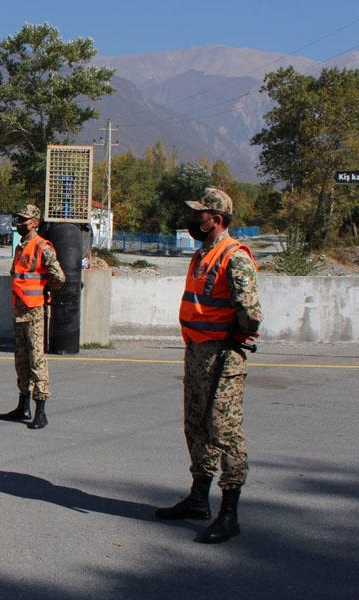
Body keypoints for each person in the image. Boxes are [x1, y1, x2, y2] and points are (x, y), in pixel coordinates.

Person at [155, 188, 262, 544]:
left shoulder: (235, 256)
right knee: (196, 424)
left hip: (222, 356)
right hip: (197, 353)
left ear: (215, 219)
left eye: (200, 215)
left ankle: (229, 514)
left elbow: (251, 313)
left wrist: (235, 337)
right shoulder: (203, 254)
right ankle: (198, 498)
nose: (194, 220)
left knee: (225, 432)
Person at [0, 204, 65, 429]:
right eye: (18, 219)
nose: (20, 223)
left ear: (35, 222)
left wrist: (45, 289)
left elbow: (59, 276)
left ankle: (41, 411)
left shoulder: (42, 246)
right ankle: (23, 405)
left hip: (34, 310)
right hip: (19, 310)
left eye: (24, 220)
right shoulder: (21, 246)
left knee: (37, 360)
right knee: (21, 360)